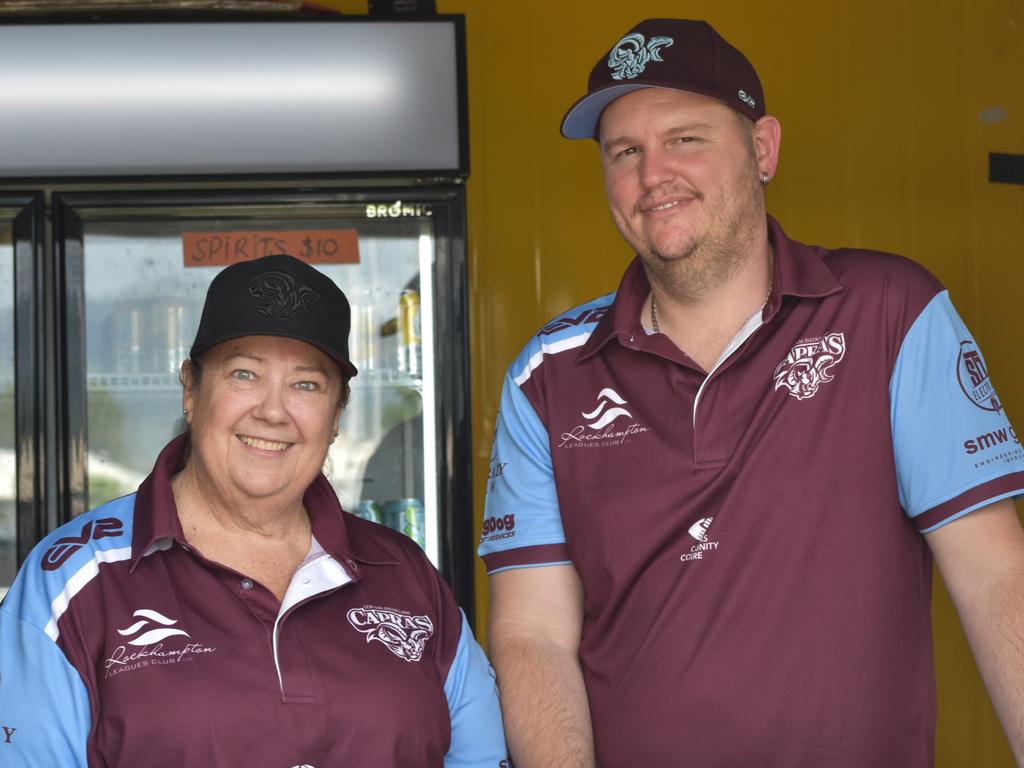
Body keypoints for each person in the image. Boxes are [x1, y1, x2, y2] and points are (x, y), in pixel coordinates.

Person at [480, 18, 1024, 767]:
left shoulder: (889, 312)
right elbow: (533, 634)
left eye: (685, 139)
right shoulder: (547, 374)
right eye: (625, 152)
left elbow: (996, 574)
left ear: (761, 148)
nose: (652, 175)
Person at [0, 254, 507, 766]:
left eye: (306, 384)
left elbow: (479, 757)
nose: (272, 410)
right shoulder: (69, 579)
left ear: (337, 414)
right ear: (191, 390)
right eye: (244, 374)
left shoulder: (405, 572)